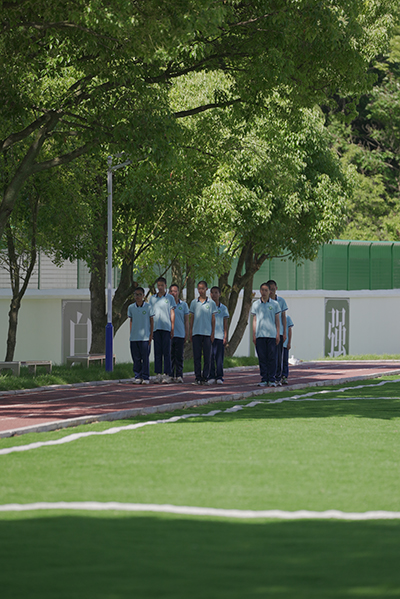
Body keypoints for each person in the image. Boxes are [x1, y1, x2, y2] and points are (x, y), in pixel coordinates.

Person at [251, 282, 281, 387]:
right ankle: (264, 378)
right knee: (262, 358)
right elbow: (254, 320)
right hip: (260, 335)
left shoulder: (275, 304)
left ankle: (272, 379)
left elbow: (277, 321)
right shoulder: (256, 304)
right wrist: (254, 334)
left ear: (270, 292)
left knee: (272, 358)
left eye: (266, 290)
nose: (264, 292)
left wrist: (278, 334)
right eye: (262, 290)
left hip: (271, 335)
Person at [189, 280, 218, 385]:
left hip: (207, 333)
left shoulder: (211, 303)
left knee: (207, 356)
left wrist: (213, 332)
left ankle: (205, 377)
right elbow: (192, 318)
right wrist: (191, 331)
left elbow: (213, 319)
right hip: (196, 332)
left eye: (202, 288)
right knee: (196, 356)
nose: (201, 291)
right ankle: (198, 377)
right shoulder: (194, 303)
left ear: (206, 289)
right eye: (199, 289)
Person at [149, 276, 176, 383]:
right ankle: (158, 373)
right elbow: (150, 315)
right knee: (157, 352)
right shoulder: (152, 298)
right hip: (156, 328)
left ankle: (167, 374)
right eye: (158, 285)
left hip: (166, 328)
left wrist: (172, 327)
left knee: (167, 352)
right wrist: (150, 329)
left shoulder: (170, 298)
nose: (160, 287)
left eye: (162, 285)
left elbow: (172, 313)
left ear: (165, 286)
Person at [127, 287, 153, 384]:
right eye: (136, 294)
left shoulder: (148, 307)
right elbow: (131, 320)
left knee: (145, 358)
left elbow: (151, 321)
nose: (137, 297)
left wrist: (151, 335)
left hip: (145, 337)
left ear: (143, 296)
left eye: (139, 294)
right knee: (136, 358)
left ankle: (145, 377)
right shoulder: (131, 307)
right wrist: (131, 332)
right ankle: (138, 376)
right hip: (134, 337)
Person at [266, 280, 288, 386]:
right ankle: (268, 377)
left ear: (276, 288)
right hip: (267, 333)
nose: (271, 291)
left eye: (273, 289)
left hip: (279, 333)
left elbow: (283, 317)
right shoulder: (264, 302)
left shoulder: (281, 301)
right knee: (268, 356)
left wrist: (284, 332)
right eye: (269, 289)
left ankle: (278, 377)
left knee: (278, 356)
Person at [208, 286, 229, 384]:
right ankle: (211, 376)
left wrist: (225, 336)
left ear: (220, 294)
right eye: (212, 293)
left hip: (219, 336)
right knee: (210, 356)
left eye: (216, 292)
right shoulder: (208, 307)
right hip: (209, 335)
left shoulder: (223, 308)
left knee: (219, 357)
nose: (214, 295)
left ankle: (219, 376)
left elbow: (225, 323)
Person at [169, 283, 189, 383]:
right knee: (170, 356)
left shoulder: (183, 305)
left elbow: (186, 320)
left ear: (178, 292)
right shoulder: (167, 305)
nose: (173, 293)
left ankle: (179, 375)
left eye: (175, 291)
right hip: (169, 334)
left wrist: (187, 333)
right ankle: (170, 375)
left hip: (180, 334)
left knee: (179, 356)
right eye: (172, 291)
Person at [282, 314, 294, 385]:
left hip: (285, 344)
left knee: (284, 360)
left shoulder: (287, 318)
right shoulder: (274, 316)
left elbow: (289, 330)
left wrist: (289, 342)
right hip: (276, 344)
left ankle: (284, 376)